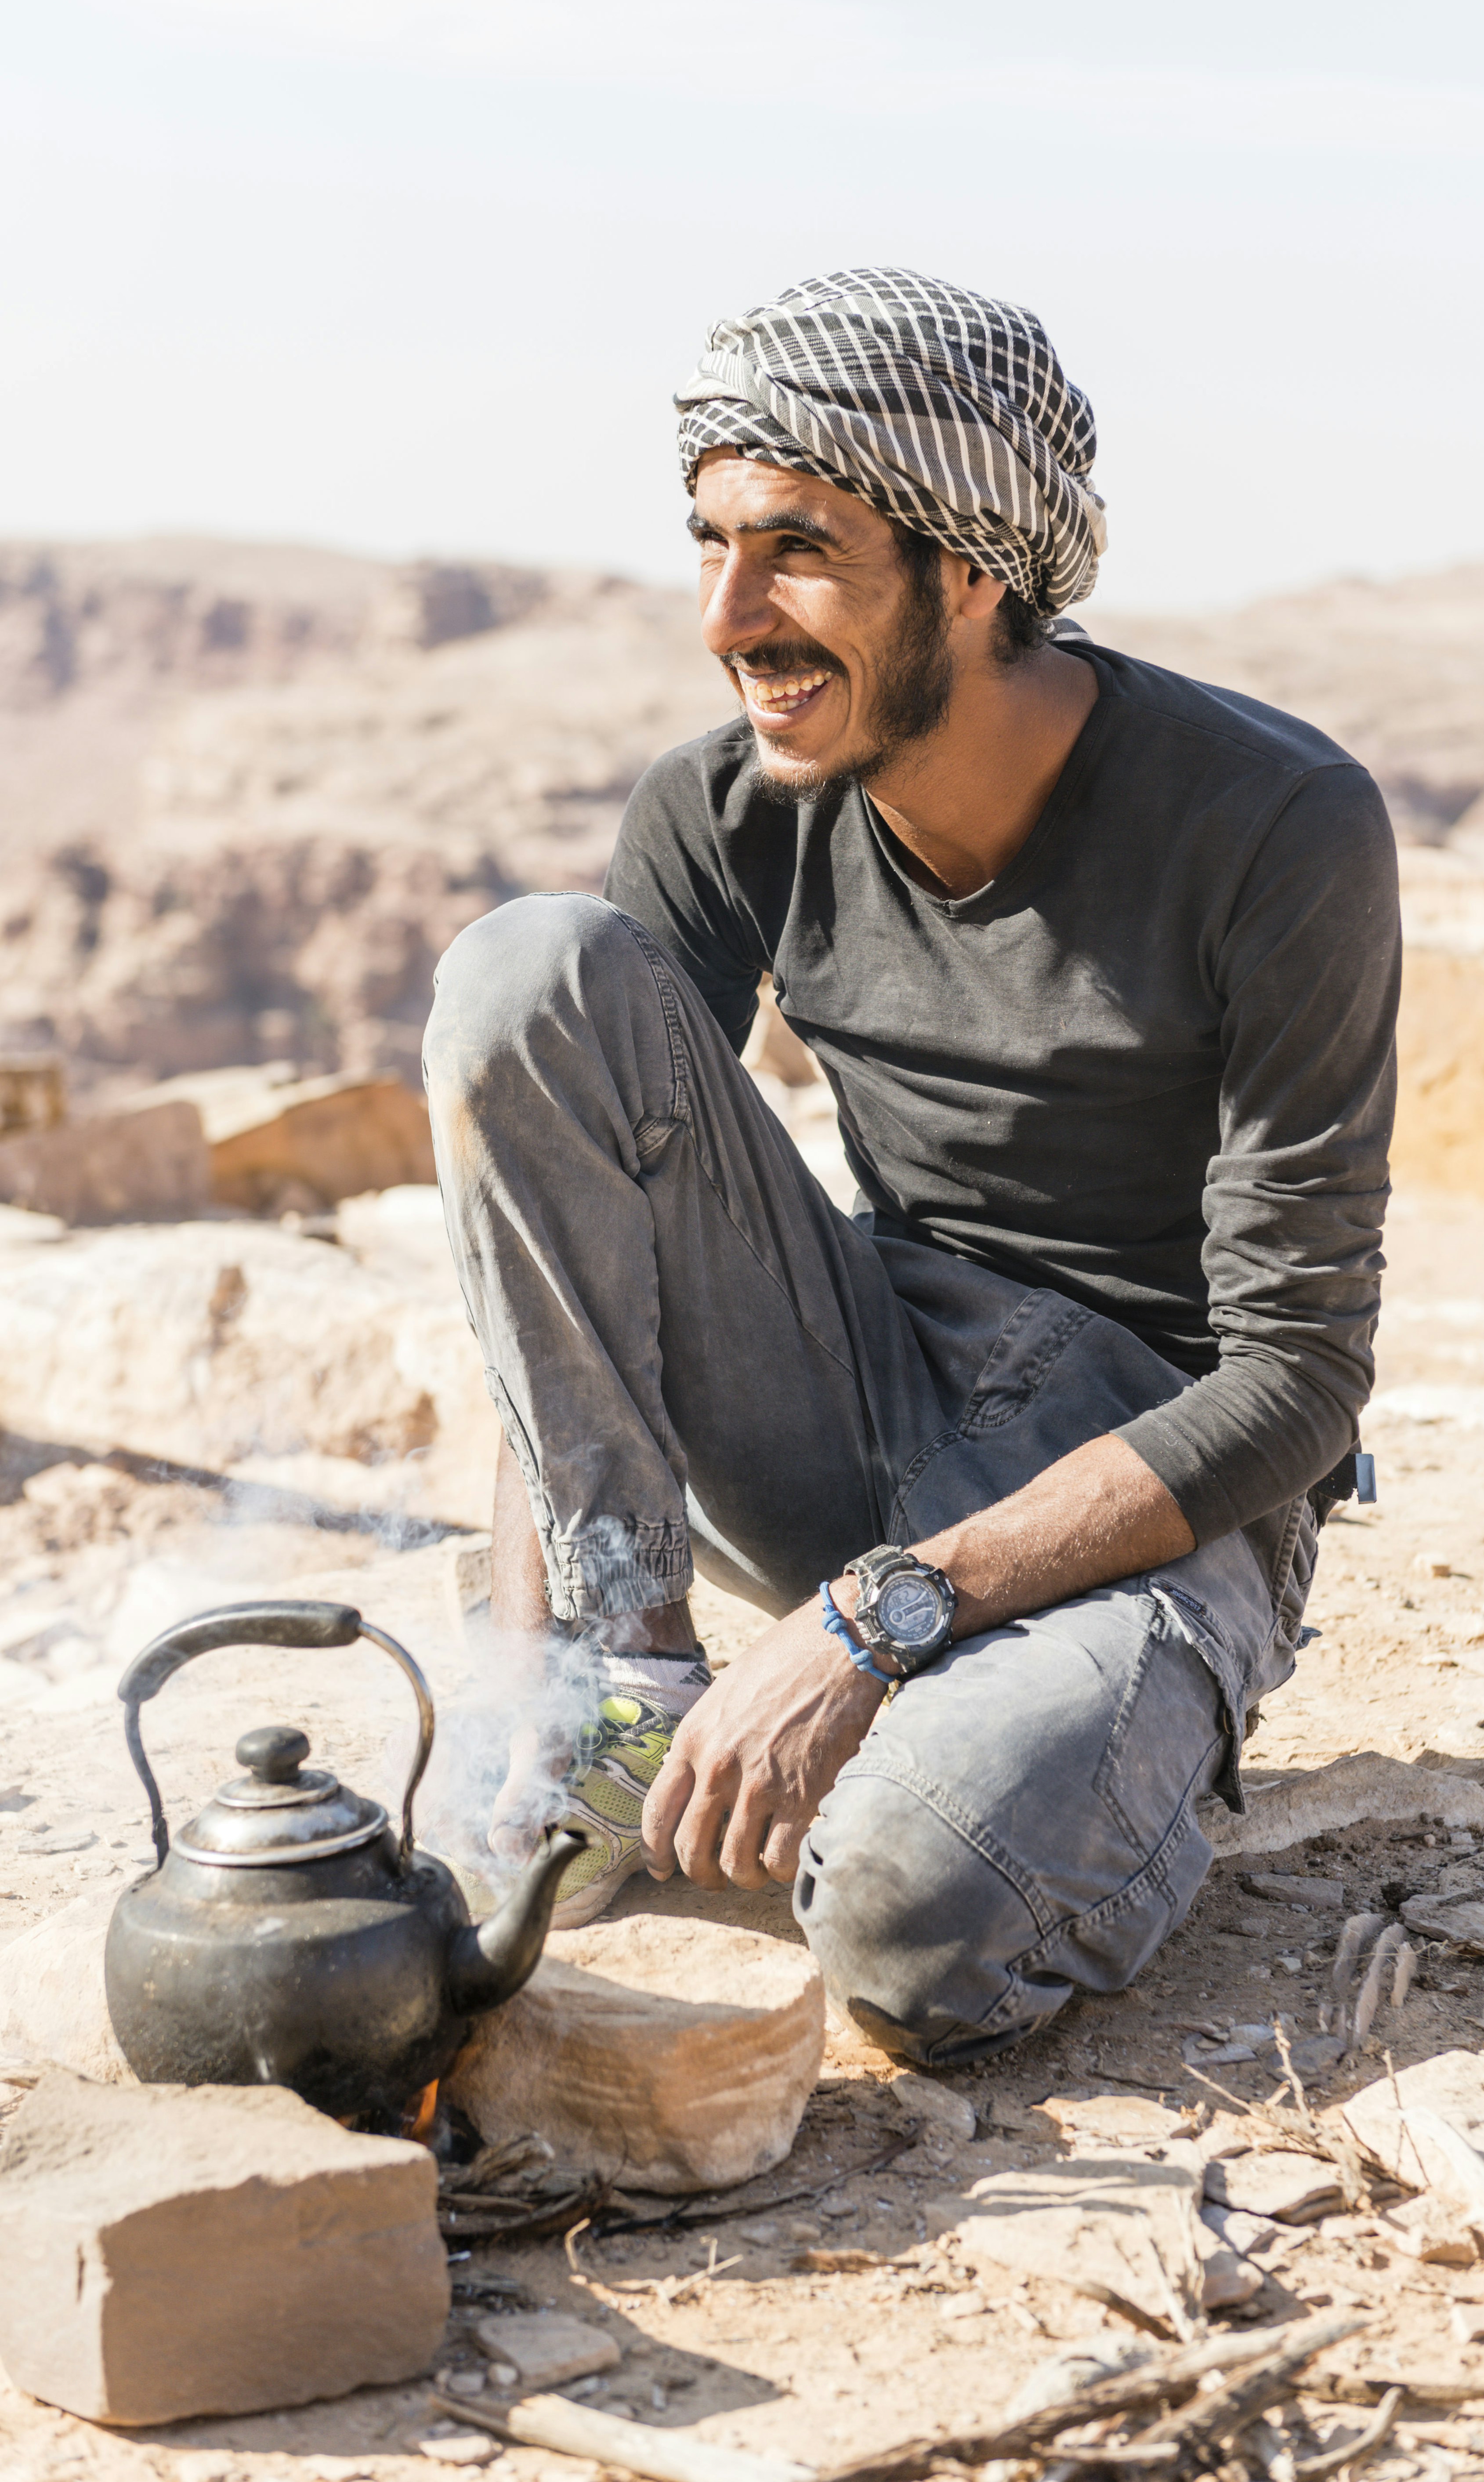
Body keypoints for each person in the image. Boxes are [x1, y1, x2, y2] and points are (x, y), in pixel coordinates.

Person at [423, 267, 1397, 2067]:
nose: (730, 615)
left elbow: (1301, 1380)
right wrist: (534, 1672)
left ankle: (1002, 1731)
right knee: (525, 972)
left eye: (797, 549)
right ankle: (629, 1693)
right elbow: (569, 1244)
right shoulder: (722, 807)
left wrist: (876, 1619)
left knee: (908, 1907)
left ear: (971, 573)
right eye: (711, 543)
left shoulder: (1276, 822)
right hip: (867, 1376)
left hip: (1153, 1488)